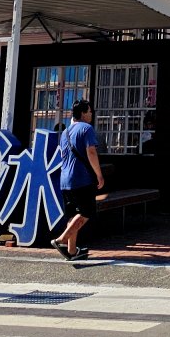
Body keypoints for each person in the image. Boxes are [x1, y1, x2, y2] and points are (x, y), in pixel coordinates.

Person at [53, 100, 106, 261]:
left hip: (65, 179)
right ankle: (61, 240)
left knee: (72, 215)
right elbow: (91, 151)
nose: (91, 114)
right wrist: (99, 174)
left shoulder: (66, 132)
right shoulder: (87, 128)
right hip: (81, 178)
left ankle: (71, 250)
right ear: (83, 113)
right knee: (86, 212)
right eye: (89, 111)